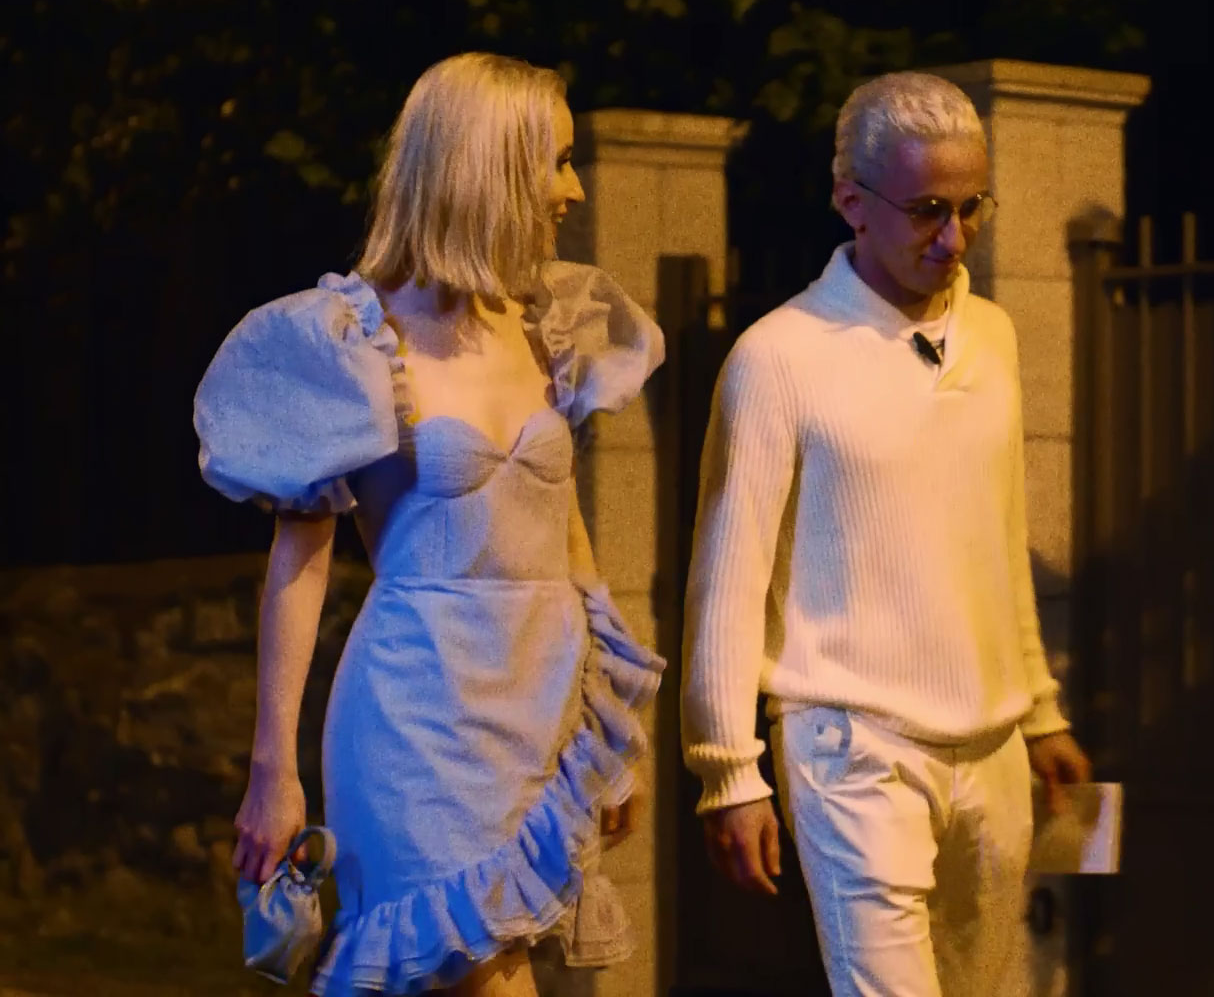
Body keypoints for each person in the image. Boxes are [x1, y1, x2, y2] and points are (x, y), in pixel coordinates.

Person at [195, 52, 667, 997]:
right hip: (415, 719)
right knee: (485, 979)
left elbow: (567, 542)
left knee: (498, 970)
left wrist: (606, 737)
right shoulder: (353, 340)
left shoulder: (544, 327)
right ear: (489, 167)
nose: (573, 189)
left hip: (537, 712)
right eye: (557, 160)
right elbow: (299, 564)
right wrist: (272, 773)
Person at [680, 71, 1093, 997]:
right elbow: (728, 581)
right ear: (850, 202)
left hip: (992, 746)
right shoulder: (778, 356)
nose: (955, 237)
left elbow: (997, 537)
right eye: (928, 210)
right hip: (850, 741)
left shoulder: (993, 335)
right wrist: (728, 772)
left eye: (972, 206)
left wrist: (1039, 710)